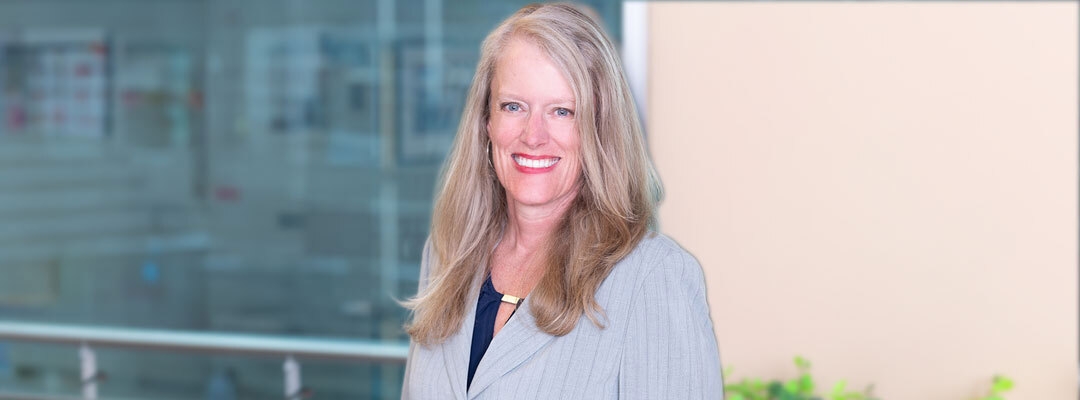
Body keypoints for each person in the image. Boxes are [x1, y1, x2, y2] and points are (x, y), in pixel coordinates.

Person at [401, 3, 723, 399]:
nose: (533, 135)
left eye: (562, 111)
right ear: (487, 121)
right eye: (513, 106)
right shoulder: (448, 254)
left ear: (599, 130)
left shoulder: (653, 278)